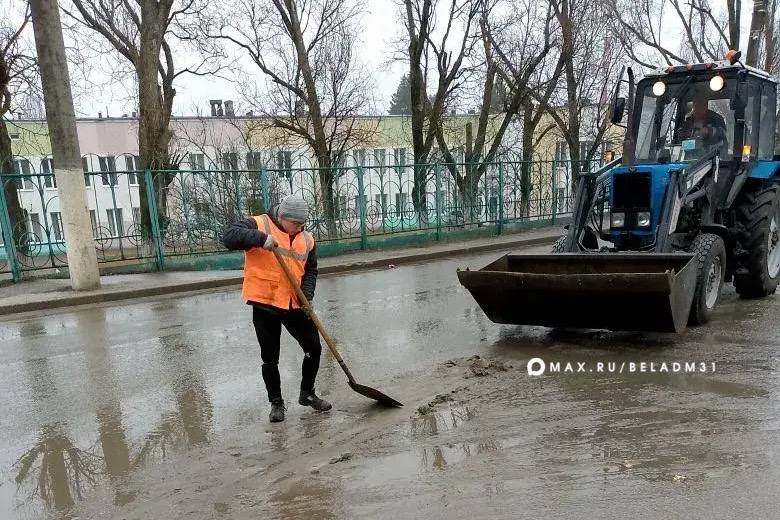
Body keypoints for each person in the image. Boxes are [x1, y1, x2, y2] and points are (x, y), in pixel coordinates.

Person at [221, 195, 332, 423]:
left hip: (294, 303)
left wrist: (307, 296)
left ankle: (307, 393)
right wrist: (260, 239)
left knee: (314, 348)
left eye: (302, 224)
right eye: (296, 223)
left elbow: (311, 271)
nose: (299, 228)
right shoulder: (260, 224)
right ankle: (277, 403)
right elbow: (229, 237)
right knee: (270, 358)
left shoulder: (307, 240)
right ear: (282, 217)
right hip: (265, 303)